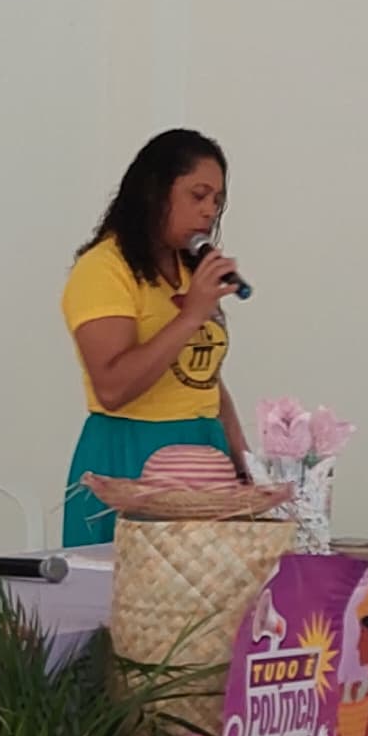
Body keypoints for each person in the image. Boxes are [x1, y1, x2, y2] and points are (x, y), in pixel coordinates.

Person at [59, 126, 249, 543]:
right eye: (198, 196)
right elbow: (112, 387)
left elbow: (205, 380)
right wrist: (189, 316)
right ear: (155, 191)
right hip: (133, 452)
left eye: (217, 201)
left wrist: (244, 462)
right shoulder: (103, 269)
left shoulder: (188, 270)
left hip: (204, 454)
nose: (209, 211)